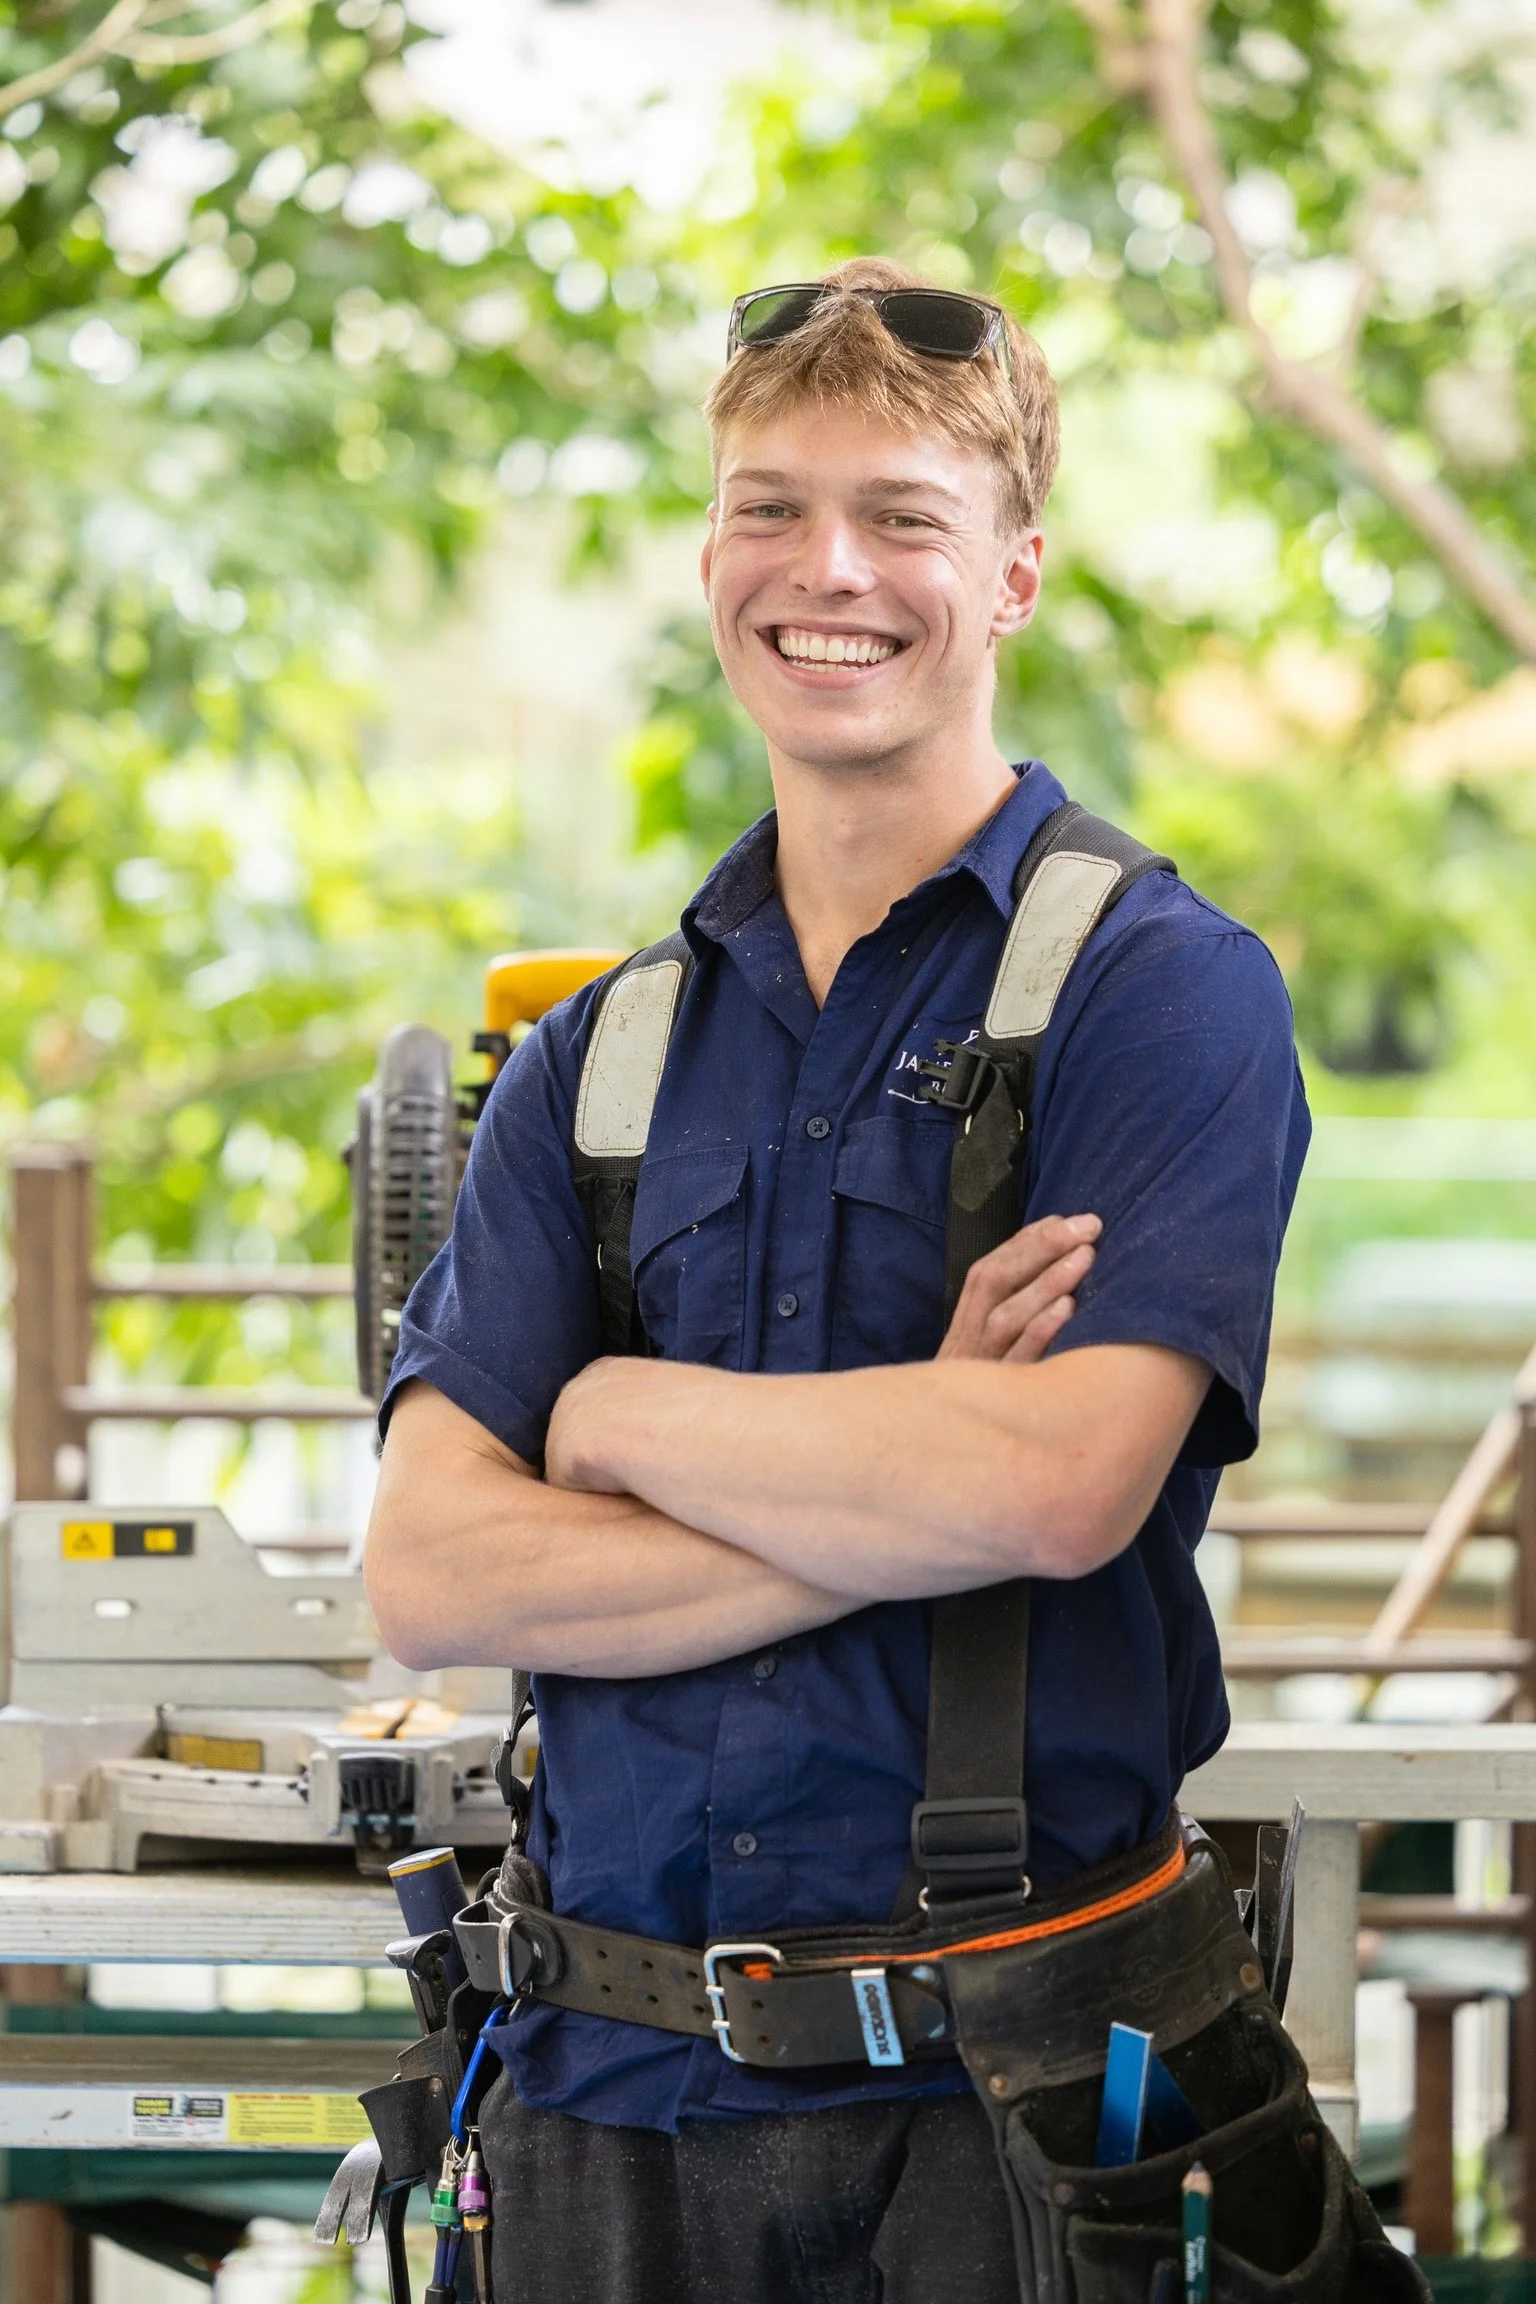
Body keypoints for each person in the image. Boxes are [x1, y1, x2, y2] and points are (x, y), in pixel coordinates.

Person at [365, 256, 1310, 2303]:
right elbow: (436, 1570)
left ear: (1018, 575)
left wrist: (616, 1428)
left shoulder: (1167, 997)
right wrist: (902, 1487)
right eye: (770, 506)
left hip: (1027, 2108)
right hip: (596, 2108)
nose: (830, 571)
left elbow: (1064, 1489)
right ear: (713, 550)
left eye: (903, 516)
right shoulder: (592, 1061)